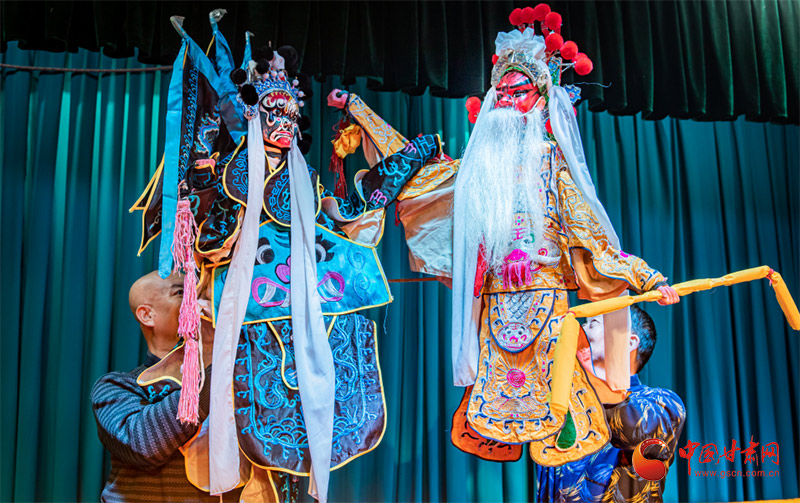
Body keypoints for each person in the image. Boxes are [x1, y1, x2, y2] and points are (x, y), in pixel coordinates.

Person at [326, 2, 680, 467]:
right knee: (496, 403)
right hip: (495, 306)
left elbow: (592, 237)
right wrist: (357, 108)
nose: (510, 101)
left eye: (520, 92)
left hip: (546, 301)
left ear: (540, 100)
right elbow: (409, 169)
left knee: (561, 409)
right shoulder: (474, 172)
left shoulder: (552, 166)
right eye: (503, 92)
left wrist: (648, 278)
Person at [129, 12, 444, 502]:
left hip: (311, 299)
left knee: (311, 414)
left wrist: (404, 163)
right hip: (253, 304)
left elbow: (347, 214)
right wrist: (209, 183)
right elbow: (209, 241)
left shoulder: (306, 180)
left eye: (293, 116)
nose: (286, 124)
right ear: (256, 116)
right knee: (260, 419)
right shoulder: (233, 176)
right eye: (276, 114)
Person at [91, 271, 234, 502]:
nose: (198, 301)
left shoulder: (237, 375)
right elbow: (144, 444)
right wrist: (220, 372)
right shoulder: (115, 386)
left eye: (201, 292)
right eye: (181, 292)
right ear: (147, 315)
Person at [536, 305, 686, 502]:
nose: (582, 329)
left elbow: (632, 430)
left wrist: (589, 372)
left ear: (628, 342)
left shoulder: (664, 403)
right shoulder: (563, 403)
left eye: (593, 323)